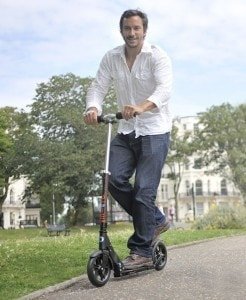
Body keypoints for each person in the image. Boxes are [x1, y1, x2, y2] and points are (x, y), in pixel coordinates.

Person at [84, 9, 172, 269]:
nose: (132, 33)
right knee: (111, 178)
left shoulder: (158, 57)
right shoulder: (112, 57)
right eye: (127, 28)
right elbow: (98, 86)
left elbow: (164, 90)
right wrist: (92, 108)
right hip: (126, 130)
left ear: (145, 30)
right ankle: (155, 219)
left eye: (136, 28)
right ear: (121, 30)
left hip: (154, 130)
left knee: (144, 191)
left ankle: (142, 251)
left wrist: (142, 107)